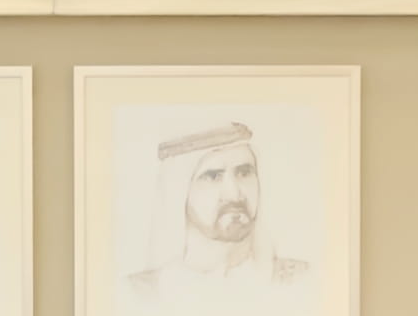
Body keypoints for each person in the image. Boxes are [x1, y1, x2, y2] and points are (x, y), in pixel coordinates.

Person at [124, 122, 310, 305]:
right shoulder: (138, 294)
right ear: (179, 192)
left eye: (244, 173)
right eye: (213, 176)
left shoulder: (301, 280)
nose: (234, 194)